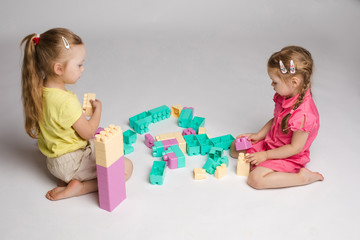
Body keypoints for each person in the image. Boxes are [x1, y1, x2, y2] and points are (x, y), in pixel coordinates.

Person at [21, 28, 133, 200]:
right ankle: (79, 187)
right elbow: (88, 132)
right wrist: (98, 111)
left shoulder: (39, 90)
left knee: (99, 146)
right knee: (125, 168)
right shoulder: (66, 101)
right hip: (71, 163)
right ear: (59, 68)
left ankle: (67, 180)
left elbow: (60, 121)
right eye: (79, 64)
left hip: (54, 162)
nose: (82, 69)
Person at [230, 46, 324, 189]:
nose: (272, 85)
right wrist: (259, 135)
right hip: (272, 143)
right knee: (234, 147)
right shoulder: (285, 96)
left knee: (255, 180)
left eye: (275, 82)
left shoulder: (304, 116)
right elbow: (276, 120)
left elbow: (295, 148)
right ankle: (263, 157)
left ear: (294, 82)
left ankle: (302, 178)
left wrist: (266, 156)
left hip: (288, 156)